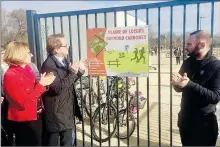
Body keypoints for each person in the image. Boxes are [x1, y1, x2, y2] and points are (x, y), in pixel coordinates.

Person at [171, 30, 220, 146]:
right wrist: (176, 84)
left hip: (204, 127)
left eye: (189, 44)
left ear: (201, 45)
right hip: (185, 122)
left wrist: (190, 84)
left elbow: (215, 97)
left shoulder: (216, 66)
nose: (185, 46)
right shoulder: (187, 63)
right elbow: (180, 89)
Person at [3, 41, 56, 146]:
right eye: (28, 53)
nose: (31, 55)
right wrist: (41, 85)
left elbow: (32, 90)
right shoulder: (11, 75)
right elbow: (22, 102)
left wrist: (44, 82)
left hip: (36, 115)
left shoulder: (27, 68)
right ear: (18, 54)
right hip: (25, 120)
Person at [40, 34, 87, 146]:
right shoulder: (49, 65)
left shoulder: (65, 61)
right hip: (56, 113)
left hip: (66, 110)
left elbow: (68, 83)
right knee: (54, 143)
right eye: (65, 46)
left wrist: (79, 72)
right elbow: (57, 88)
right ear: (56, 49)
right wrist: (72, 73)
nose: (68, 48)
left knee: (68, 143)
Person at [1, 44, 14, 146]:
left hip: (10, 100)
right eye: (1, 53)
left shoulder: (9, 65)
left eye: (4, 52)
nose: (4, 55)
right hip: (2, 100)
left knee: (9, 125)